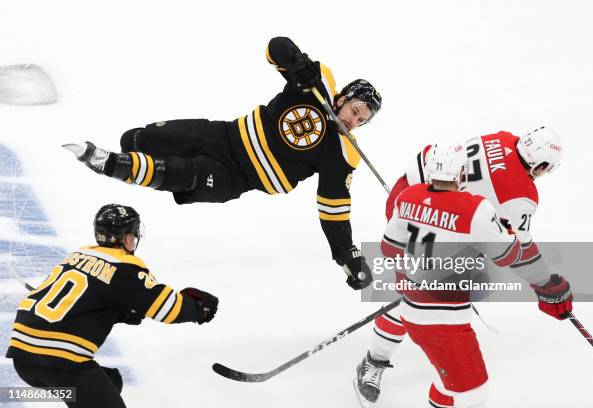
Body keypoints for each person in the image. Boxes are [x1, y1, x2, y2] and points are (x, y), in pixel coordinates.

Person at [62, 37, 379, 291]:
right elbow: (275, 46)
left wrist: (345, 254)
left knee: (184, 175)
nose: (354, 122)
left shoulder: (344, 154)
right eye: (354, 111)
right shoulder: (317, 80)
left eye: (362, 120)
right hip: (222, 135)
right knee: (136, 139)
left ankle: (111, 165)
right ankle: (126, 157)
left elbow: (334, 210)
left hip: (236, 177)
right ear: (343, 97)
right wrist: (297, 62)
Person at [354, 133, 573, 407]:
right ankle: (382, 360)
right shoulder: (520, 196)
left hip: (410, 196)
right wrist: (546, 283)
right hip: (444, 216)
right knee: (425, 294)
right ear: (541, 166)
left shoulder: (501, 138)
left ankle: (381, 356)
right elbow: (518, 251)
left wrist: (421, 203)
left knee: (414, 290)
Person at [5, 204, 219, 408]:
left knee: (110, 383)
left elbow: (80, 301)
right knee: (95, 392)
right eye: (133, 234)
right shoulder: (125, 267)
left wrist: (118, 311)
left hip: (23, 359)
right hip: (63, 363)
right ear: (126, 237)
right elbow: (168, 308)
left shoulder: (78, 254)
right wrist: (199, 308)